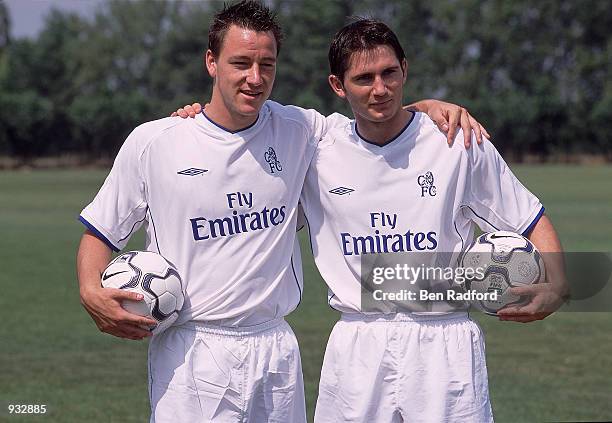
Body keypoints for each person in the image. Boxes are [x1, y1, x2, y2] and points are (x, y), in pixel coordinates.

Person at [78, 2, 488, 422]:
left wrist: (427, 107)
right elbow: (101, 232)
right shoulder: (154, 142)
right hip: (191, 350)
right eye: (240, 63)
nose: (255, 78)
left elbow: (374, 112)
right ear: (211, 62)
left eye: (266, 64)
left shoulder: (301, 130)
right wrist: (91, 291)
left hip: (275, 350)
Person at [176, 17, 570, 423]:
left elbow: (528, 217)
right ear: (338, 86)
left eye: (389, 73)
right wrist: (195, 118)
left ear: (405, 70)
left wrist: (559, 285)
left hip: (444, 342)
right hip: (356, 346)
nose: (380, 89)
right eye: (364, 78)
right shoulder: (317, 146)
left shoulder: (458, 142)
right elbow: (238, 125)